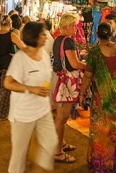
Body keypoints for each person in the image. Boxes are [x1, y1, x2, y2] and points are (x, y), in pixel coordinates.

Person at [4, 22, 58, 173]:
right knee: (19, 155)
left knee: (50, 142)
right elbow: (8, 83)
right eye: (42, 34)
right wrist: (30, 89)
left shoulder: (45, 56)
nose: (46, 37)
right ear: (33, 37)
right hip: (23, 113)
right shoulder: (20, 58)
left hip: (42, 110)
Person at [79, 23, 116, 172]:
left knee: (102, 129)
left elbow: (88, 76)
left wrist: (82, 94)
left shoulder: (95, 52)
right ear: (110, 33)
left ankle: (103, 165)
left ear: (97, 34)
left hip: (103, 93)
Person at [52, 12, 87, 163]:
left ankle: (61, 143)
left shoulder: (57, 39)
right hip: (67, 83)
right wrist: (88, 65)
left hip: (59, 79)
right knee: (62, 117)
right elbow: (74, 64)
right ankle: (57, 151)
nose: (76, 28)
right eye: (74, 25)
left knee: (60, 117)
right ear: (67, 26)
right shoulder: (69, 41)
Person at [0, 15, 26, 121]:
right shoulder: (12, 35)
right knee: (5, 90)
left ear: (0, 24)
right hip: (6, 66)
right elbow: (23, 47)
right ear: (10, 24)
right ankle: (2, 115)